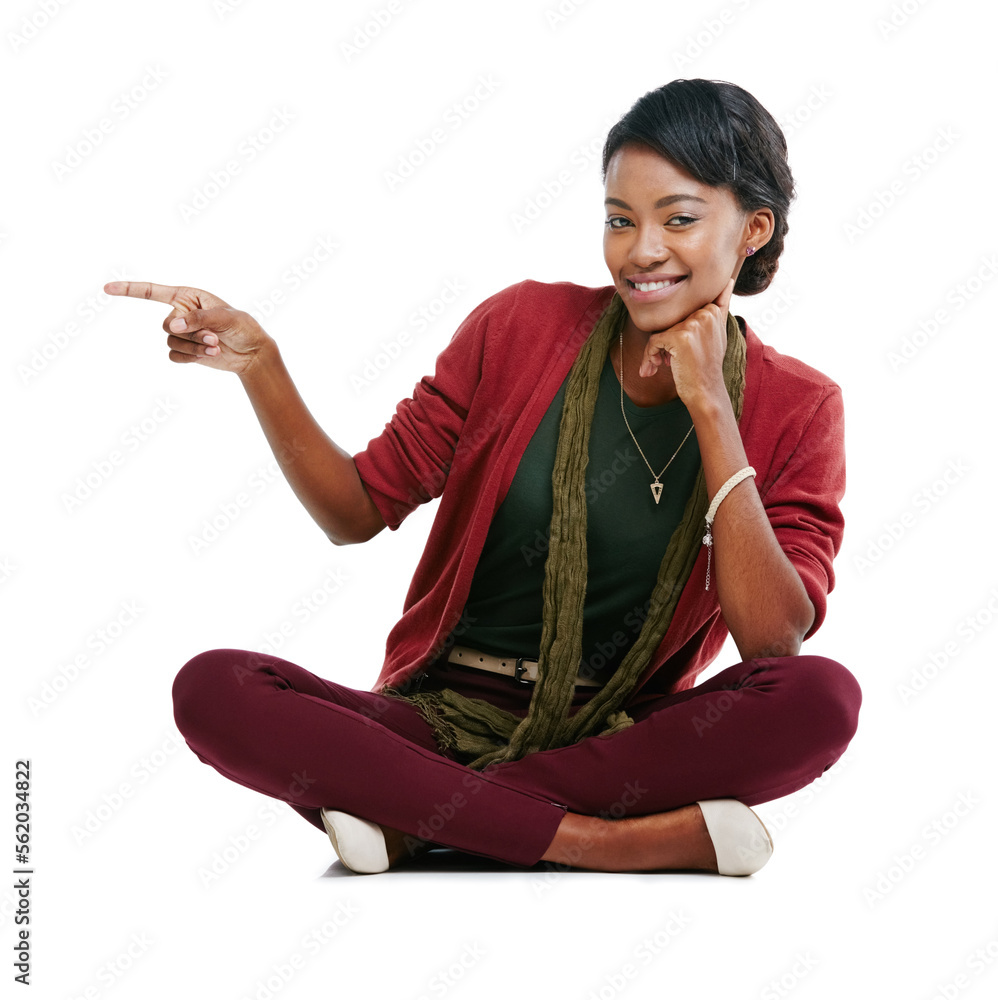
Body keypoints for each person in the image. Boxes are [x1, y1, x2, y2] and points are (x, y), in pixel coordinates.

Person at [106, 78, 861, 877]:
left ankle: (412, 816)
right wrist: (261, 366)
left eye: (678, 219)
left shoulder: (800, 407)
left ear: (753, 229)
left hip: (617, 740)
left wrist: (712, 408)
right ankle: (612, 844)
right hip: (434, 718)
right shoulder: (521, 327)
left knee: (821, 699)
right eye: (618, 220)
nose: (640, 250)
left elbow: (772, 639)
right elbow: (355, 510)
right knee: (215, 688)